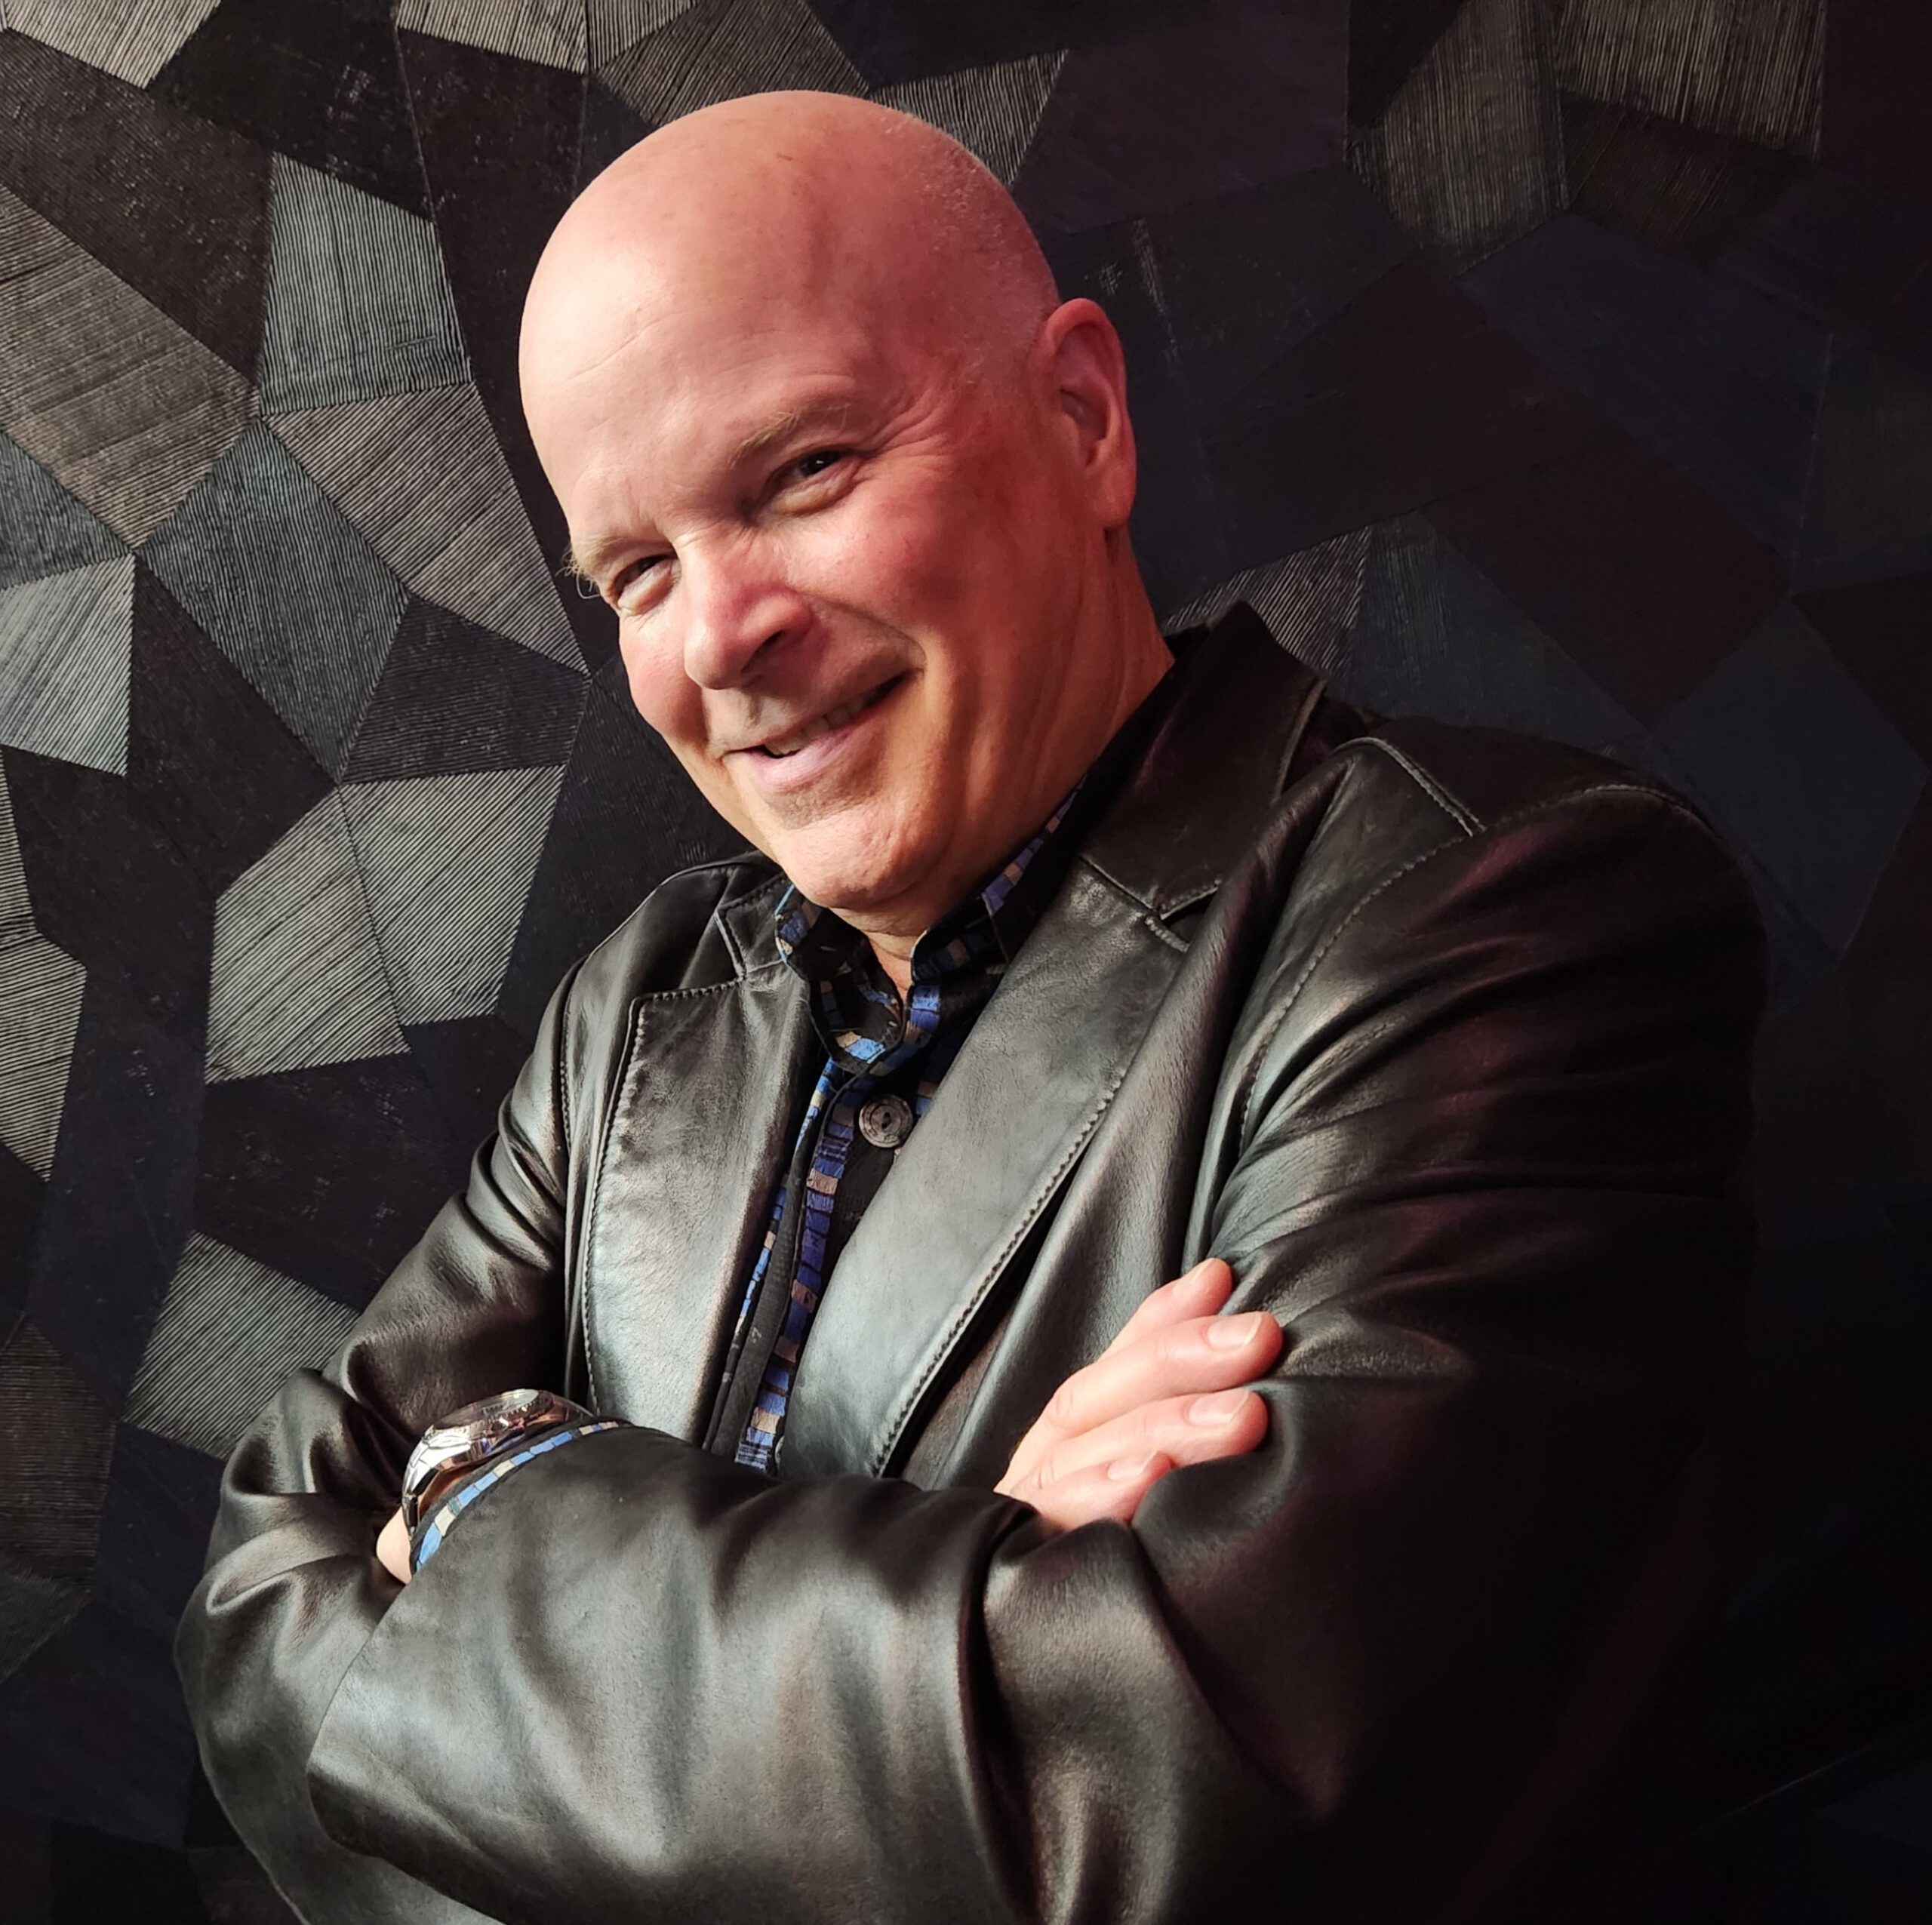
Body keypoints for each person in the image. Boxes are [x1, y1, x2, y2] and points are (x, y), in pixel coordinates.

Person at [177, 91, 1766, 1925]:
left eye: (802, 473)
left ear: (1082, 419)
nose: (717, 638)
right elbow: (253, 1624)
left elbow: (1159, 1820)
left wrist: (468, 1504)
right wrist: (976, 1574)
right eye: (637, 571)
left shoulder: (1507, 918)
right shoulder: (645, 1000)